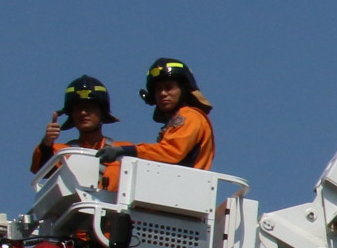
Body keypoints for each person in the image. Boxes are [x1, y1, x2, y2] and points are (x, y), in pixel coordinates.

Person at [100, 57, 215, 190]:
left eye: (169, 88)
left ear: (183, 89)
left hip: (181, 191)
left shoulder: (190, 116)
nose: (163, 93)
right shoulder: (182, 118)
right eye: (158, 89)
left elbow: (171, 151)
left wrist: (127, 150)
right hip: (176, 189)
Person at [29, 76, 117, 175]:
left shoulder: (122, 150)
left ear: (102, 112)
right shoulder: (63, 152)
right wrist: (46, 143)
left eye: (90, 107)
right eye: (78, 108)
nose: (83, 113)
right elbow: (40, 170)